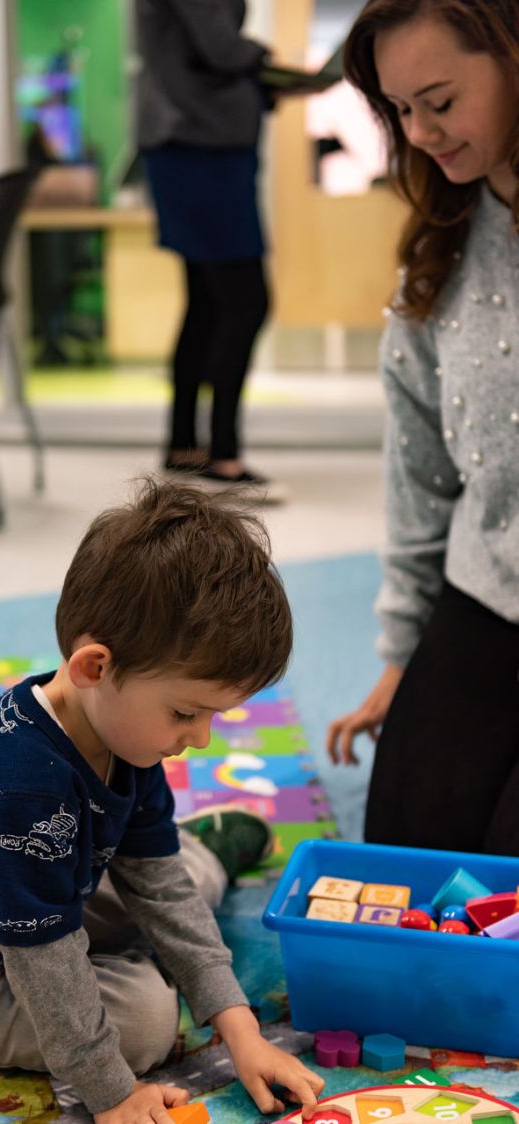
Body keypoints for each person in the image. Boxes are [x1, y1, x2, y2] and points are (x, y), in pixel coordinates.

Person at [0, 478, 324, 1123]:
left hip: (31, 904)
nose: (200, 739)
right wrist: (114, 1096)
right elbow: (45, 963)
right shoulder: (24, 791)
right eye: (187, 712)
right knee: (149, 1018)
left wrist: (243, 1033)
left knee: (181, 881)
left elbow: (160, 890)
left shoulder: (125, 733)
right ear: (94, 667)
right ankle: (160, 909)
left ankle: (201, 854)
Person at [326, 0, 519, 855]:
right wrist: (402, 661)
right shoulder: (439, 248)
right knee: (408, 855)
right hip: (488, 592)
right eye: (401, 110)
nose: (422, 131)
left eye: (440, 101)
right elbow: (422, 479)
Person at [135, 0, 287, 501]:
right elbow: (220, 49)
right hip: (198, 147)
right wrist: (261, 57)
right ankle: (223, 457)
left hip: (200, 143)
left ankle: (186, 445)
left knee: (208, 304)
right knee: (245, 302)